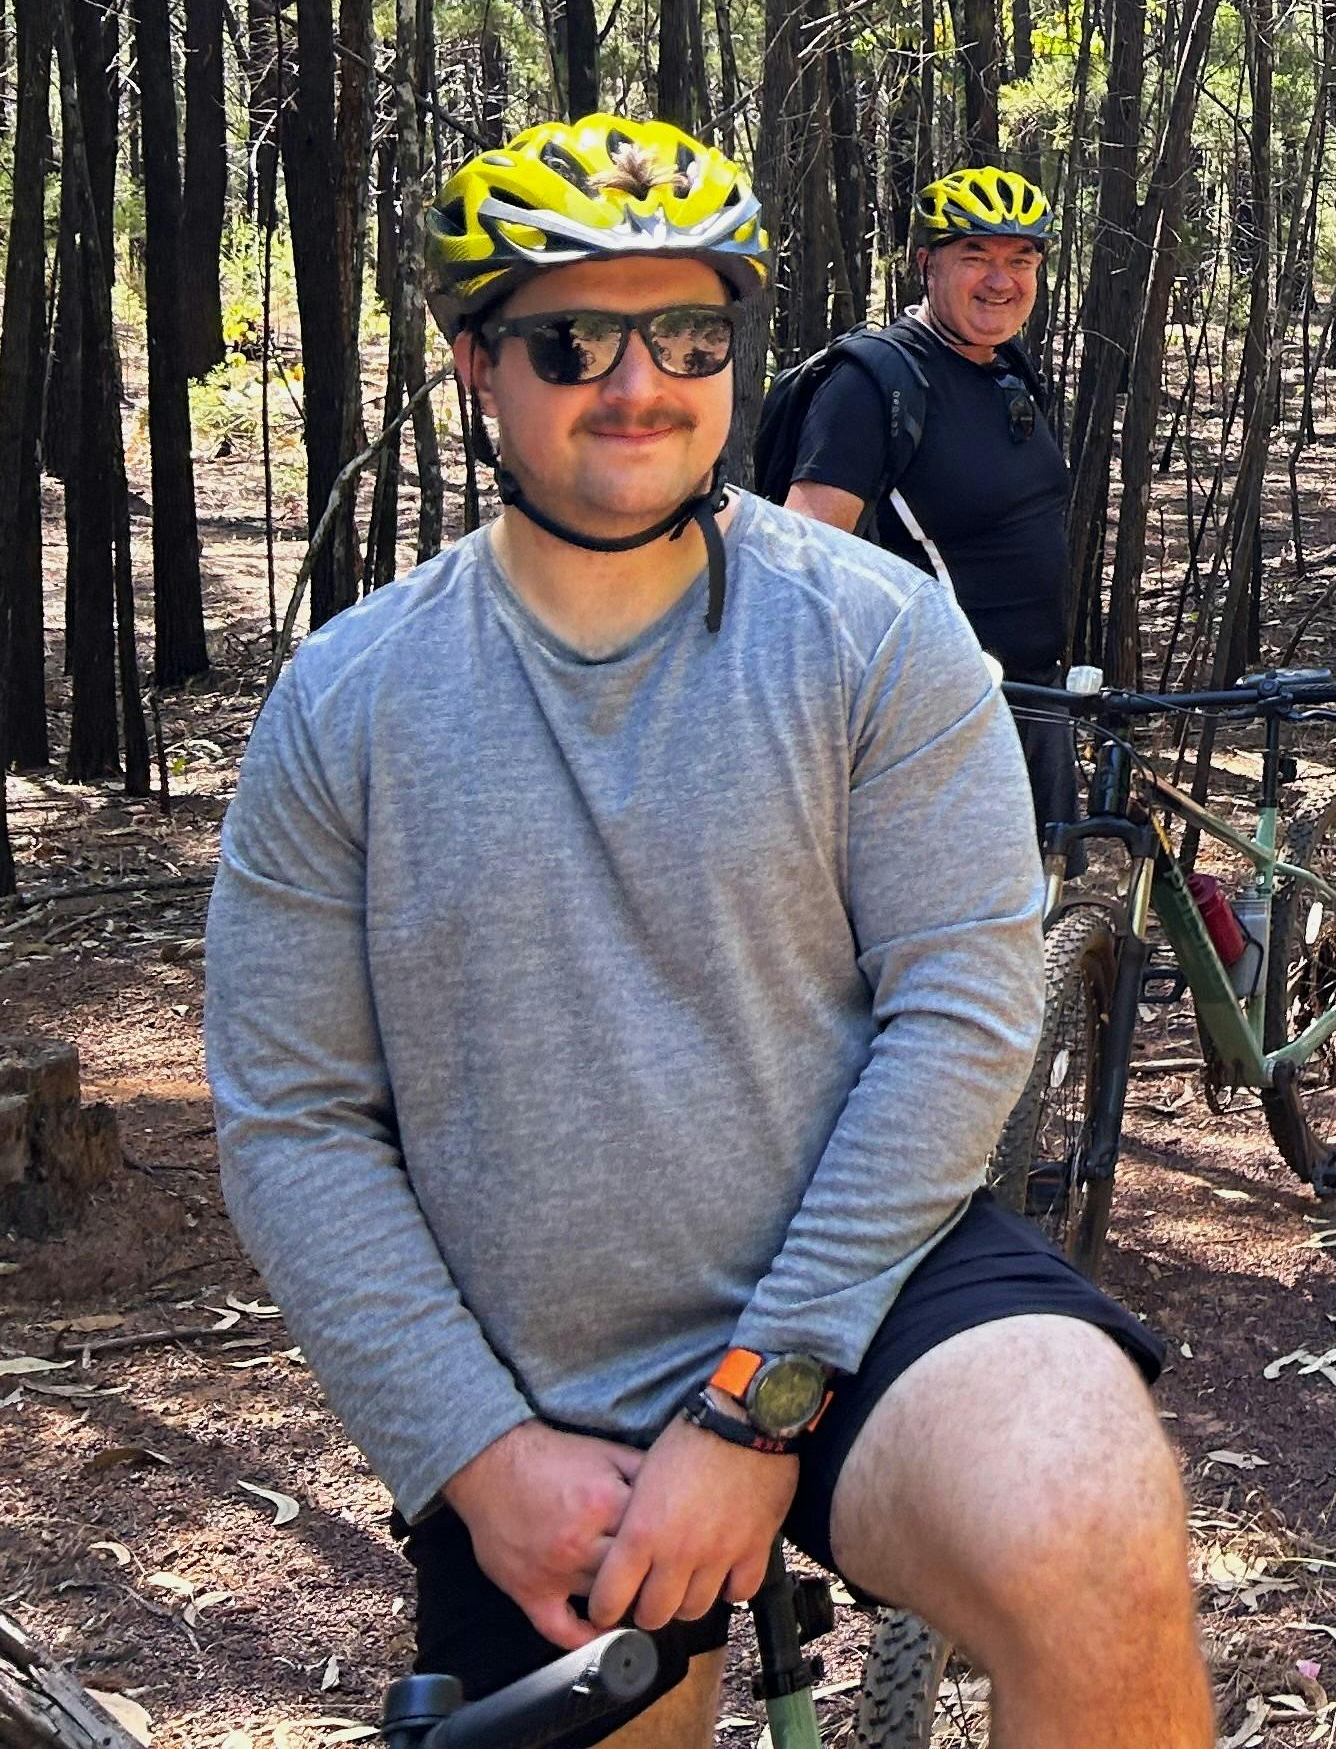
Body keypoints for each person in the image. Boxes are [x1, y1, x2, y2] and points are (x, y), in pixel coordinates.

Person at [207, 115, 1207, 1749]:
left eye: (687, 334)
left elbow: (961, 1008)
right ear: (476, 364)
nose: (637, 381)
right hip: (532, 1378)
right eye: (571, 340)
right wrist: (474, 1450)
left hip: (870, 1283)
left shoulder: (877, 634)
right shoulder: (348, 701)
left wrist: (760, 1396)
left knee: (1090, 1507)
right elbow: (291, 1111)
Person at [779, 166, 1074, 685]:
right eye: (975, 258)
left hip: (1036, 696)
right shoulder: (871, 384)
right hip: (936, 705)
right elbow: (800, 570)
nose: (1000, 281)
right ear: (927, 265)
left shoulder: (1007, 365)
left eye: (1020, 260)